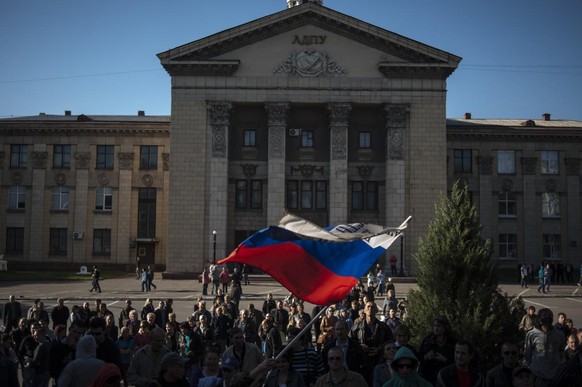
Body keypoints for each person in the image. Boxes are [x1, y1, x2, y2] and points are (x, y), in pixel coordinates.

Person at [349, 301, 394, 384]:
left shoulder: (384, 327)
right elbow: (349, 344)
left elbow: (391, 342)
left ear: (376, 310)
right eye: (368, 307)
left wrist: (379, 349)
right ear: (364, 310)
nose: (370, 309)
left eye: (372, 307)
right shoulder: (356, 328)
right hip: (361, 364)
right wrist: (360, 347)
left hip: (379, 362)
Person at [524, 308, 565, 385]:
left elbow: (562, 351)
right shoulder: (531, 334)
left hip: (555, 375)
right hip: (538, 375)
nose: (547, 318)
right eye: (544, 316)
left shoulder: (559, 334)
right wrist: (533, 367)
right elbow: (527, 353)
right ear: (539, 319)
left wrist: (560, 366)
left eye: (549, 316)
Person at [418, 316, 455, 385]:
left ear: (445, 328)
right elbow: (419, 356)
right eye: (435, 325)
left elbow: (456, 361)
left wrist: (445, 360)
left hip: (445, 377)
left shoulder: (452, 343)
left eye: (439, 326)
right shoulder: (427, 341)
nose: (436, 328)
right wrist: (425, 357)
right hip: (428, 377)